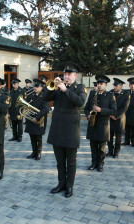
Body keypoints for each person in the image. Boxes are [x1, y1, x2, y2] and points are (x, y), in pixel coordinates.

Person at [44, 62, 87, 198]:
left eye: (69, 74)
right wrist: (53, 88)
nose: (66, 76)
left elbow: (80, 102)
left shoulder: (80, 88)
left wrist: (65, 90)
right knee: (60, 161)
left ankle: (69, 186)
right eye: (65, 74)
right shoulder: (57, 88)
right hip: (57, 128)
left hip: (70, 130)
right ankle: (61, 184)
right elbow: (45, 98)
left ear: (75, 75)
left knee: (71, 161)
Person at [84, 75, 116, 172]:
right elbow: (86, 108)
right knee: (93, 146)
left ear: (106, 85)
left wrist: (101, 110)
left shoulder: (110, 95)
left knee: (102, 148)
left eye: (101, 84)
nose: (99, 85)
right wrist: (88, 115)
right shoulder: (92, 93)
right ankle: (94, 163)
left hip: (103, 125)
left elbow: (113, 110)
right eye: (98, 83)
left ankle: (100, 164)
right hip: (92, 124)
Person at [24, 79, 49, 160]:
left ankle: (38, 153)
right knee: (32, 136)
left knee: (38, 137)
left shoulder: (45, 96)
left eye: (37, 86)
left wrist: (36, 117)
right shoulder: (31, 95)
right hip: (31, 119)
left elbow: (45, 109)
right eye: (35, 86)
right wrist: (27, 110)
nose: (35, 88)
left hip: (39, 120)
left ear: (42, 87)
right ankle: (34, 152)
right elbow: (26, 106)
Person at [107, 78, 130, 158]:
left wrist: (115, 116)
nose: (114, 87)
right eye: (114, 85)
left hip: (119, 119)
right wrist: (110, 114)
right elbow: (107, 104)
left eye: (116, 85)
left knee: (118, 138)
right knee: (109, 137)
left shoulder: (126, 94)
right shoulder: (110, 92)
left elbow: (125, 107)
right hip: (110, 118)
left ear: (121, 86)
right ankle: (110, 150)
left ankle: (116, 152)